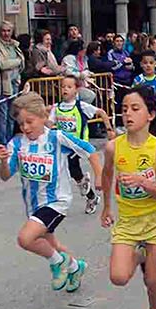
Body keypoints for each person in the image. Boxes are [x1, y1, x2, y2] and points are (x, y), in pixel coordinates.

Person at [0, 92, 100, 294]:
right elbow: (5, 175)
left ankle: (57, 263)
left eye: (30, 122)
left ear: (43, 117)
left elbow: (88, 149)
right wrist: (2, 162)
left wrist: (99, 176)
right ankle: (75, 267)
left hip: (56, 201)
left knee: (25, 239)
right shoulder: (16, 144)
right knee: (51, 243)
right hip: (34, 205)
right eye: (21, 123)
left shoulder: (56, 137)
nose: (25, 127)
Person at [100, 85, 156, 309]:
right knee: (118, 277)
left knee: (152, 280)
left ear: (150, 115)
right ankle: (140, 253)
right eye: (124, 109)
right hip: (129, 221)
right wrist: (107, 207)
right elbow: (107, 174)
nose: (128, 114)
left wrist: (143, 183)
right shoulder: (113, 147)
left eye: (135, 108)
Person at [48, 75, 114, 214]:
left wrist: (109, 129)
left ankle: (87, 186)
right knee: (73, 172)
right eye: (63, 86)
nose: (65, 89)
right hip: (64, 145)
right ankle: (90, 194)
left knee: (71, 169)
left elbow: (101, 112)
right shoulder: (57, 107)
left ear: (76, 90)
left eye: (69, 87)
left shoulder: (81, 106)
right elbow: (49, 124)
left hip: (79, 145)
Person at [0, 21, 25, 145]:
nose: (6, 33)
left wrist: (16, 62)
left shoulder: (15, 45)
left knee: (12, 115)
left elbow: (23, 63)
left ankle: (10, 140)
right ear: (0, 32)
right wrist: (16, 61)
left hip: (15, 81)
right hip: (3, 84)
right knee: (3, 115)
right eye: (3, 31)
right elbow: (3, 64)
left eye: (8, 31)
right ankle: (2, 142)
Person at [61, 39, 97, 105]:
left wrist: (87, 73)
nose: (85, 50)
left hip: (80, 85)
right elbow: (70, 72)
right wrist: (81, 74)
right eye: (84, 48)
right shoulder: (69, 58)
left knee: (90, 96)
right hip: (70, 85)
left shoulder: (84, 58)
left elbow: (86, 69)